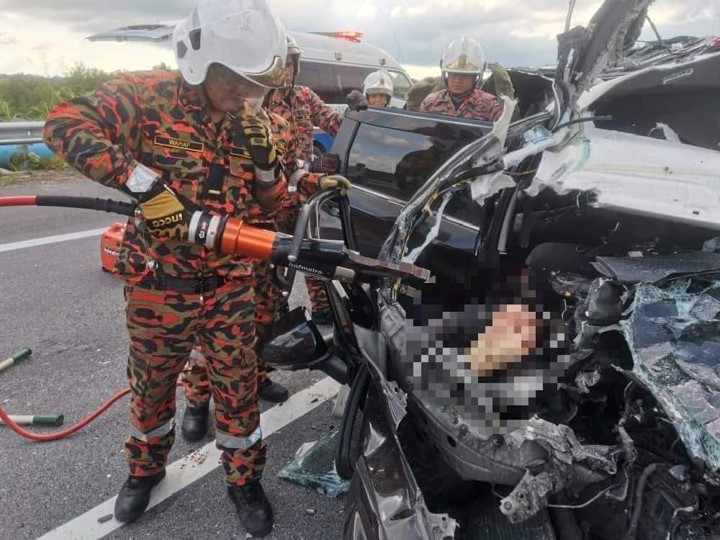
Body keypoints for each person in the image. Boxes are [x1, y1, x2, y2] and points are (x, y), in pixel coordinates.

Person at [43, 1, 294, 536]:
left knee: (238, 390)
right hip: (159, 284)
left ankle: (244, 481)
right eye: (233, 79)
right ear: (202, 62)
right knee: (152, 387)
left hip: (230, 286)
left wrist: (267, 166)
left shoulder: (253, 119)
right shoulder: (147, 96)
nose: (243, 93)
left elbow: (272, 205)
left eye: (253, 83)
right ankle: (144, 471)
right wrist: (142, 184)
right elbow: (64, 123)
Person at [265, 35, 367, 324]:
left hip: (305, 194)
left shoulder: (305, 96)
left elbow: (333, 124)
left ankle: (323, 309)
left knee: (312, 254)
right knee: (273, 256)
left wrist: (355, 112)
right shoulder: (260, 101)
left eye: (289, 65)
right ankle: (275, 311)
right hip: (273, 197)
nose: (285, 71)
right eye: (280, 64)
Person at [420, 35, 506, 121]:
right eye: (453, 74)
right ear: (446, 74)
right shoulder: (431, 102)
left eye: (464, 76)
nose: (457, 80)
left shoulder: (490, 105)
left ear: (475, 77)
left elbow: (503, 128)